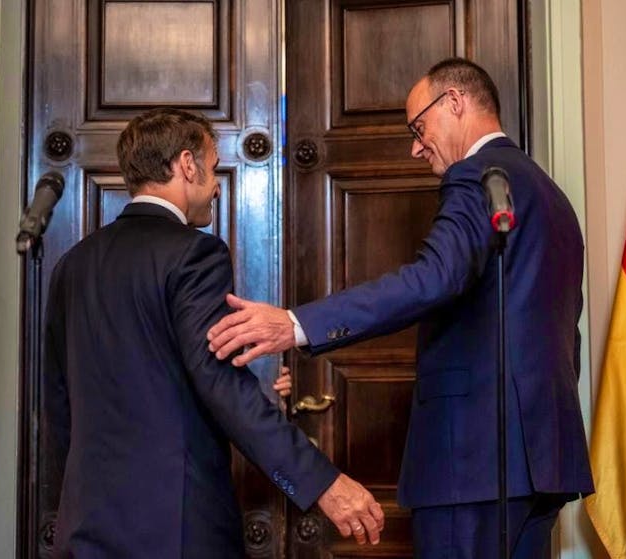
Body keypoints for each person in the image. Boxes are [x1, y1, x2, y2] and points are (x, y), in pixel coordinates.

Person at [206, 58, 594, 557]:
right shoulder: (550, 194)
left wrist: (296, 324)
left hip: (471, 463)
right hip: (543, 462)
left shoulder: (476, 177)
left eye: (419, 126)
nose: (416, 146)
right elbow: (565, 329)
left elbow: (434, 277)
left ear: (454, 102)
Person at [42, 108, 384, 558]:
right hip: (177, 528)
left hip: (86, 526)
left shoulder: (73, 263)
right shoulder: (194, 254)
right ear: (187, 165)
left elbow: (58, 404)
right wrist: (322, 481)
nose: (219, 184)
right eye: (213, 165)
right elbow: (220, 385)